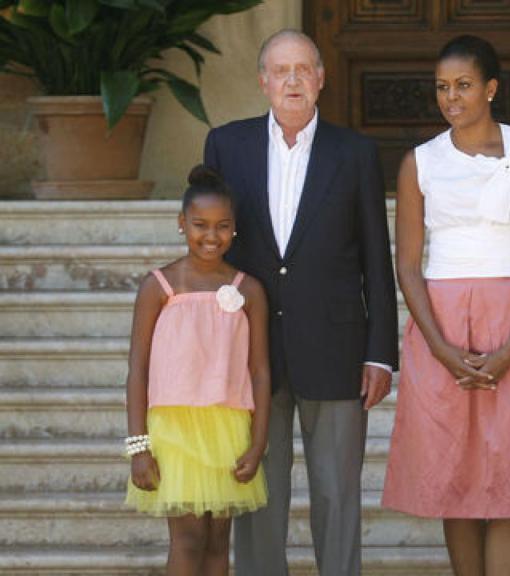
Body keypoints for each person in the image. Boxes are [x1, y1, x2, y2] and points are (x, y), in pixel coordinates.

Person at [381, 34, 510, 576]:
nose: (451, 97)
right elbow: (408, 264)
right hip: (442, 325)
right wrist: (441, 348)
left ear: (491, 89)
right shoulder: (419, 163)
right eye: (442, 87)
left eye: (464, 85)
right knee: (457, 476)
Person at [203, 29, 399, 576]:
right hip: (250, 351)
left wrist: (380, 353)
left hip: (337, 348)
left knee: (338, 495)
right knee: (256, 495)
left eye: (303, 69)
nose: (293, 80)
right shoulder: (226, 145)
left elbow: (376, 259)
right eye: (281, 70)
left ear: (321, 79)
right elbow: (211, 251)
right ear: (262, 81)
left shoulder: (355, 152)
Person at [124, 165, 270, 575]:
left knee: (217, 542)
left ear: (235, 228)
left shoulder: (248, 289)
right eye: (200, 225)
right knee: (188, 540)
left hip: (227, 428)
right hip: (174, 431)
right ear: (181, 223)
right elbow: (138, 369)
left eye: (222, 226)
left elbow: (260, 371)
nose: (211, 236)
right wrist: (139, 446)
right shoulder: (158, 286)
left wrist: (258, 442)